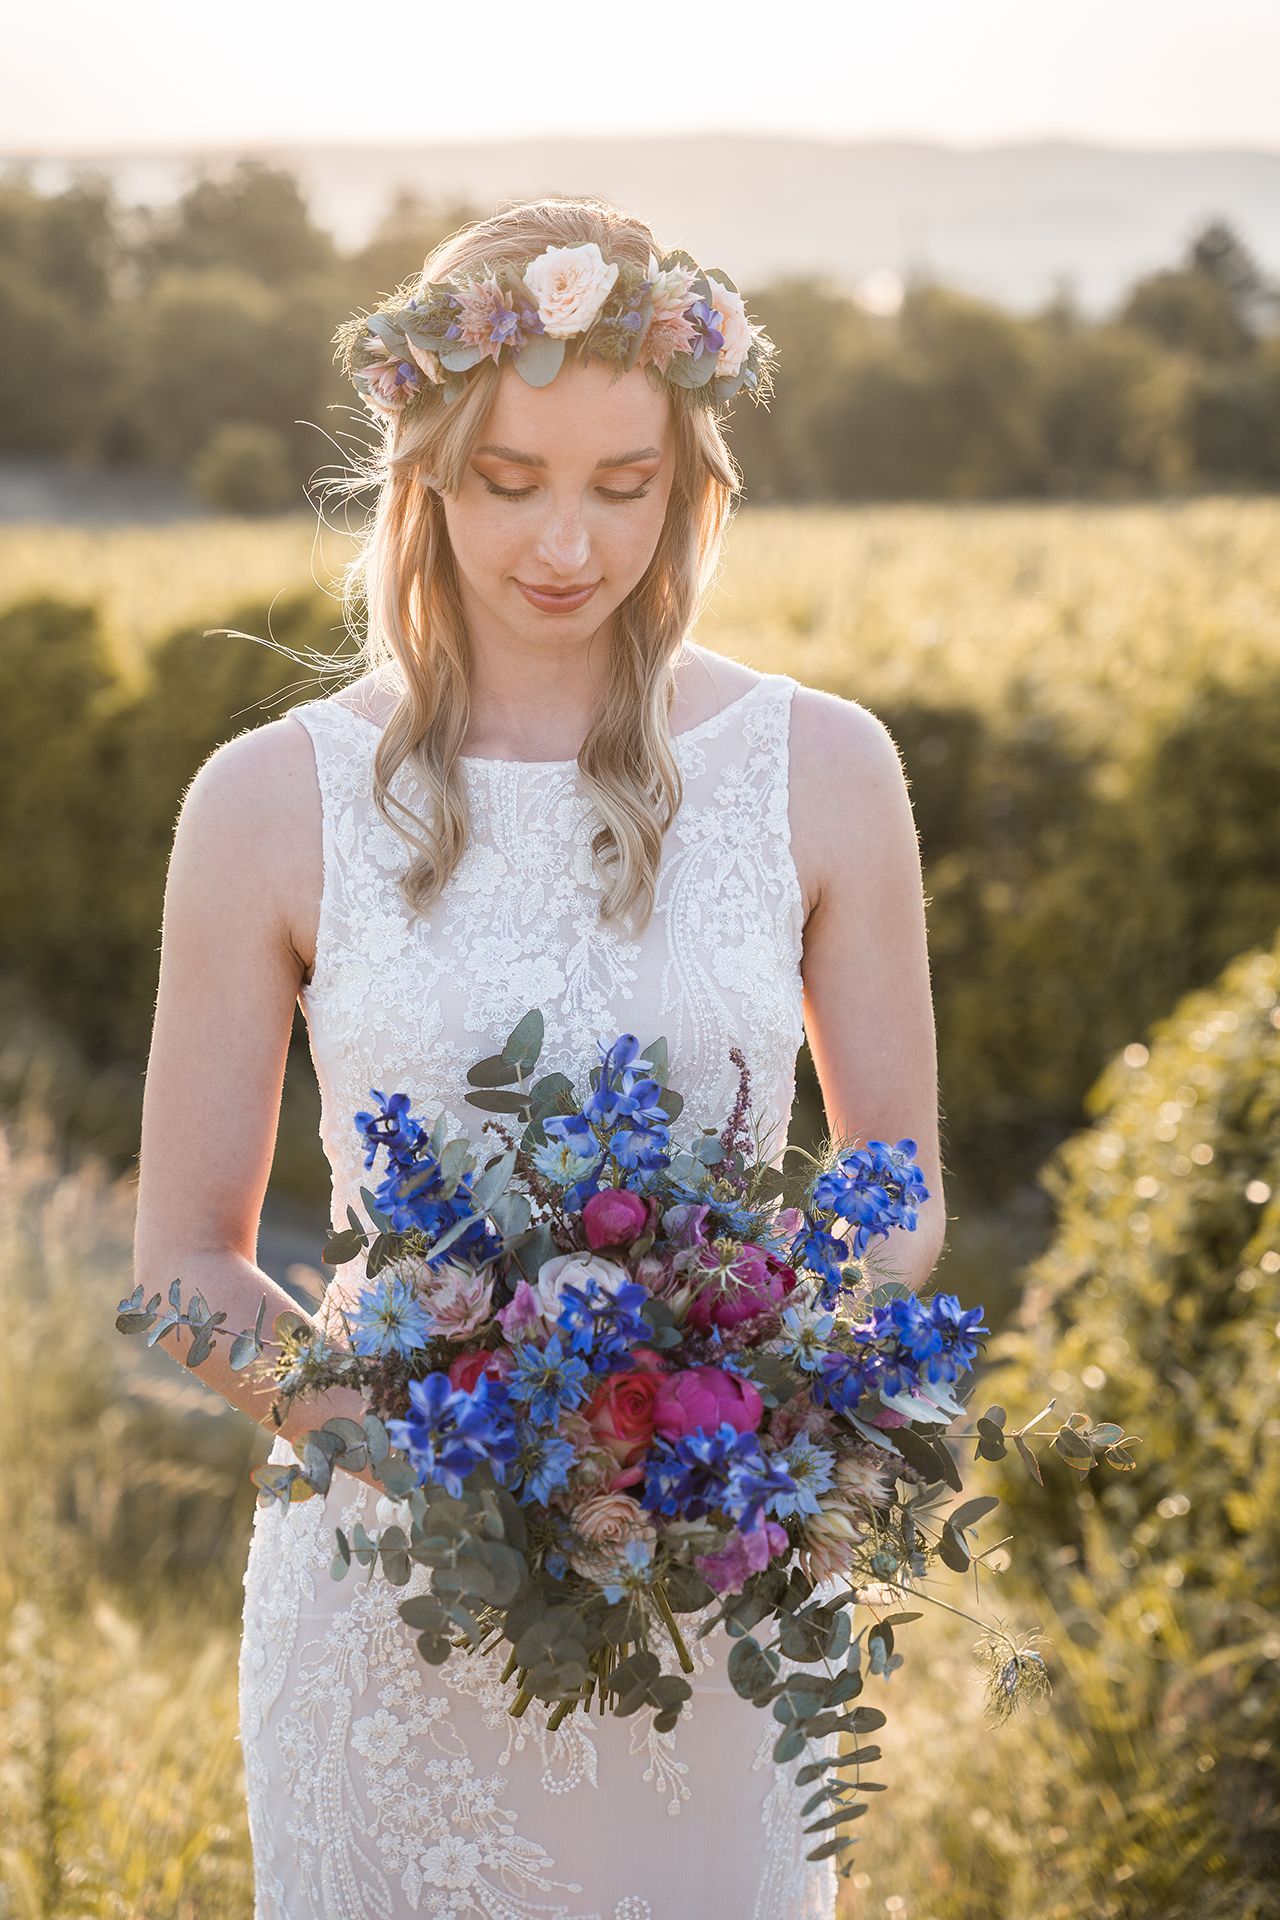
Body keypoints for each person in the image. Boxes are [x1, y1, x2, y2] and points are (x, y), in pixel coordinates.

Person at [132, 196, 945, 1920]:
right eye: (510, 480)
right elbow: (179, 1270)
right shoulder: (269, 801)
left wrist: (750, 1421)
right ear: (424, 465)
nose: (567, 541)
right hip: (390, 1591)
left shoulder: (826, 770)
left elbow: (903, 1184)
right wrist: (447, 1467)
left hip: (705, 1588)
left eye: (623, 483)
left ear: (693, 482)